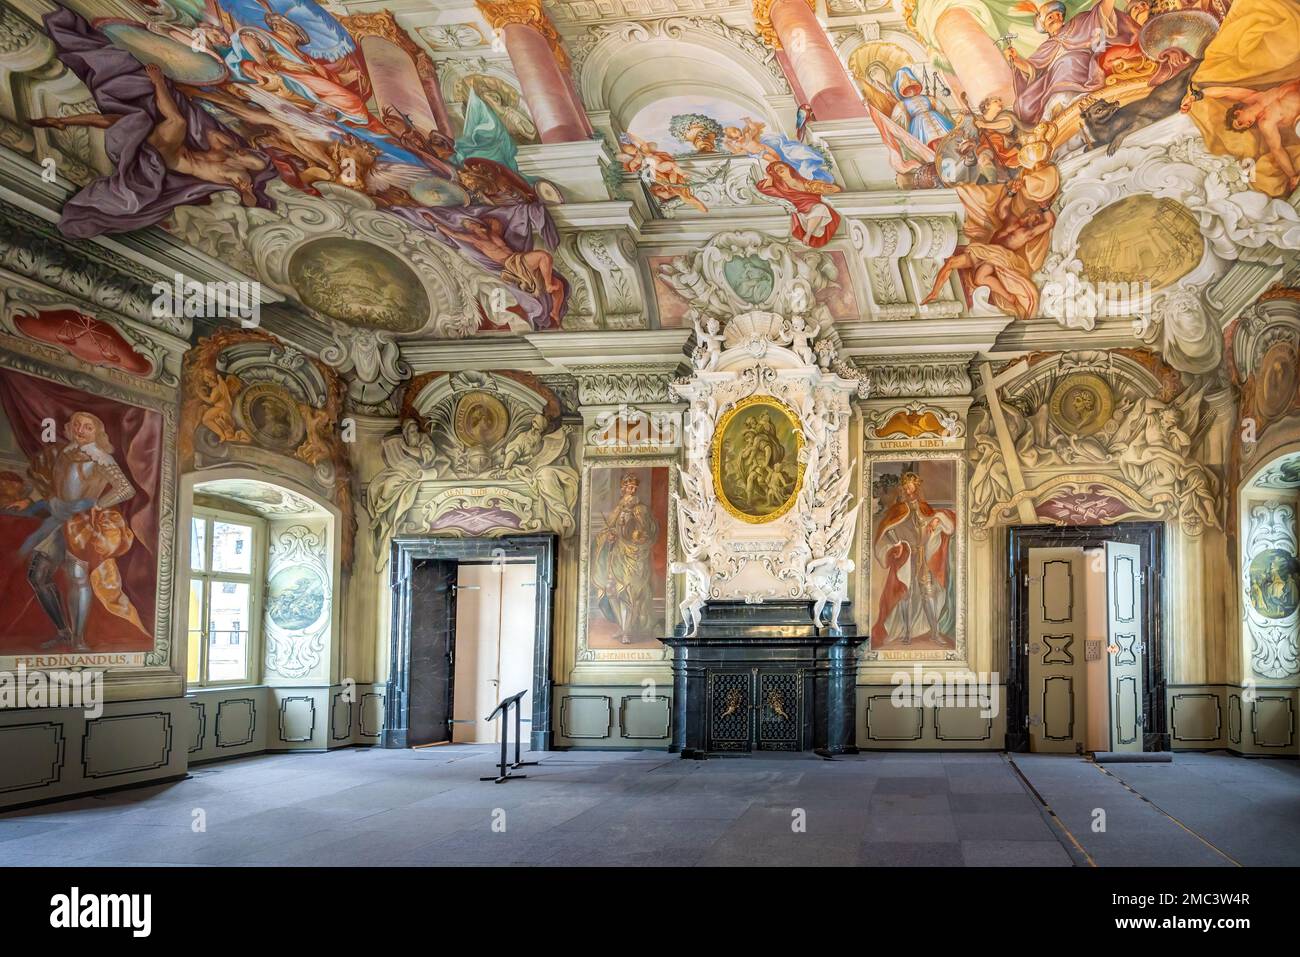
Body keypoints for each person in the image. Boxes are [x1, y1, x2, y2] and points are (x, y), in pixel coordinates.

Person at [15, 412, 143, 651]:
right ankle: (64, 632)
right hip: (58, 520)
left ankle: (78, 639)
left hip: (81, 524)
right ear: (70, 428)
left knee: (77, 577)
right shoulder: (65, 454)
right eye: (77, 425)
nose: (81, 430)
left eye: (87, 427)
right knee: (38, 574)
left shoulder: (99, 458)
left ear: (97, 432)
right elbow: (54, 487)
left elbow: (125, 489)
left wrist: (98, 504)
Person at [1005, 0, 1142, 124]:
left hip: (1083, 67)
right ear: (1045, 27)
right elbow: (1031, 69)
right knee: (1024, 104)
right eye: (1050, 17)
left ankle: (1075, 98)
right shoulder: (1045, 47)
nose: (1055, 18)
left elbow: (1099, 15)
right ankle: (1057, 106)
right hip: (1053, 81)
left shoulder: (1077, 23)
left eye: (1058, 14)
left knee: (1067, 62)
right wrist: (1015, 59)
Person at [871, 471, 956, 646]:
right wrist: (897, 544)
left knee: (928, 592)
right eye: (906, 486)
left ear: (916, 487)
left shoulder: (924, 506)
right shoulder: (898, 509)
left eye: (911, 486)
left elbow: (934, 521)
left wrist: (936, 521)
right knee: (905, 593)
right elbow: (887, 529)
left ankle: (934, 631)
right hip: (906, 554)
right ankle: (907, 633)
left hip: (922, 554)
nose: (908, 490)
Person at [591, 473, 660, 643]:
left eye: (635, 488)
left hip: (634, 558)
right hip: (616, 557)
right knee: (612, 592)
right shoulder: (618, 509)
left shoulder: (641, 510)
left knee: (628, 593)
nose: (632, 490)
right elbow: (606, 531)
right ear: (623, 489)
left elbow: (648, 532)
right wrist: (610, 537)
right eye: (629, 488)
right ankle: (622, 627)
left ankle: (627, 631)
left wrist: (636, 529)